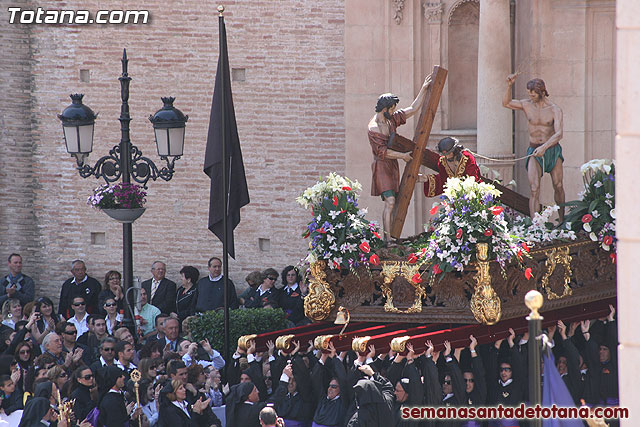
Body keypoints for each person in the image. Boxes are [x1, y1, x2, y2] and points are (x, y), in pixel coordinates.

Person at [368, 74, 432, 240]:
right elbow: (383, 152)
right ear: (385, 109)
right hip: (382, 166)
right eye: (392, 109)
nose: (394, 111)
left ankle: (391, 238)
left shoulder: (390, 121)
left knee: (394, 202)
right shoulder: (374, 128)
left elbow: (412, 109)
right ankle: (387, 240)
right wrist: (403, 156)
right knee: (389, 201)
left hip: (393, 165)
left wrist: (424, 89)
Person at [503, 75, 565, 220]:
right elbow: (506, 103)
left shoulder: (554, 109)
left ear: (542, 92)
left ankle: (562, 219)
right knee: (534, 188)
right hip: (534, 151)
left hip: (552, 150)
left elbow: (559, 134)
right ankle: (536, 226)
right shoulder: (526, 105)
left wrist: (544, 147)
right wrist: (509, 86)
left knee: (558, 185)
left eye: (533, 93)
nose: (530, 95)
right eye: (529, 92)